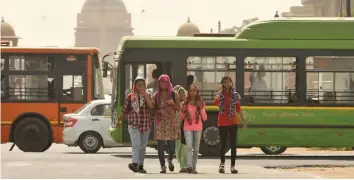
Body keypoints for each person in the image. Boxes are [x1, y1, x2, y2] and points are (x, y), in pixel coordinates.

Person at [117, 77, 154, 173]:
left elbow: (151, 106)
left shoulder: (148, 95)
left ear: (145, 86)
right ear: (135, 86)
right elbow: (124, 110)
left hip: (145, 124)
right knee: (136, 144)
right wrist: (118, 121)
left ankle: (140, 165)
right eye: (138, 84)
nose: (140, 86)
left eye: (142, 84)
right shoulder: (131, 96)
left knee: (143, 146)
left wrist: (145, 95)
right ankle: (134, 163)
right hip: (133, 123)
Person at [214, 76, 247, 174]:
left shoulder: (235, 95)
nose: (227, 84)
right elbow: (216, 102)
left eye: (228, 82)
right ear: (222, 84)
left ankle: (233, 166)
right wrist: (219, 92)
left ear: (231, 83)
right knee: (223, 144)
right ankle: (222, 164)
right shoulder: (220, 94)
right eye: (224, 82)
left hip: (233, 122)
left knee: (233, 145)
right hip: (222, 122)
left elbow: (238, 109)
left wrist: (244, 121)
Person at [153, 74, 180, 173]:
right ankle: (163, 166)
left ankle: (170, 160)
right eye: (160, 82)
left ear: (168, 82)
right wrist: (159, 112)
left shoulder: (174, 94)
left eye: (164, 82)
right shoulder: (156, 96)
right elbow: (153, 110)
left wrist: (173, 103)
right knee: (160, 147)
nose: (162, 84)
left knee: (172, 147)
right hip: (160, 123)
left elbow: (178, 108)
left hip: (171, 123)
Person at [180, 83, 207, 174]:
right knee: (189, 147)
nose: (192, 92)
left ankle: (194, 167)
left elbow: (205, 118)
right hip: (187, 127)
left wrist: (201, 108)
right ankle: (189, 166)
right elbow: (181, 118)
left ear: (197, 92)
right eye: (190, 90)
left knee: (196, 149)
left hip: (198, 127)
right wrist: (183, 111)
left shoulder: (200, 102)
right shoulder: (186, 103)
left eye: (194, 90)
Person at [173, 85, 189, 173]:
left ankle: (185, 165)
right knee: (178, 148)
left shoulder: (187, 104)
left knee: (184, 147)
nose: (182, 94)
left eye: (183, 92)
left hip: (186, 128)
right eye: (180, 93)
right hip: (176, 128)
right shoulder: (175, 105)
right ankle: (182, 164)